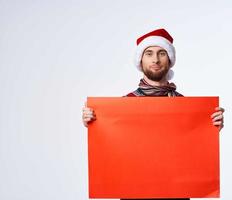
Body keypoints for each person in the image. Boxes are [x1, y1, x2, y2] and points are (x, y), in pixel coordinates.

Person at [82, 28, 224, 200]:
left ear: (170, 60)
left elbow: (193, 150)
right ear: (140, 60)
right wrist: (94, 121)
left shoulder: (186, 107)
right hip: (133, 194)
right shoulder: (122, 106)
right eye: (149, 53)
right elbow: (111, 148)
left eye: (161, 53)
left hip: (176, 195)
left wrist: (210, 126)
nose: (155, 59)